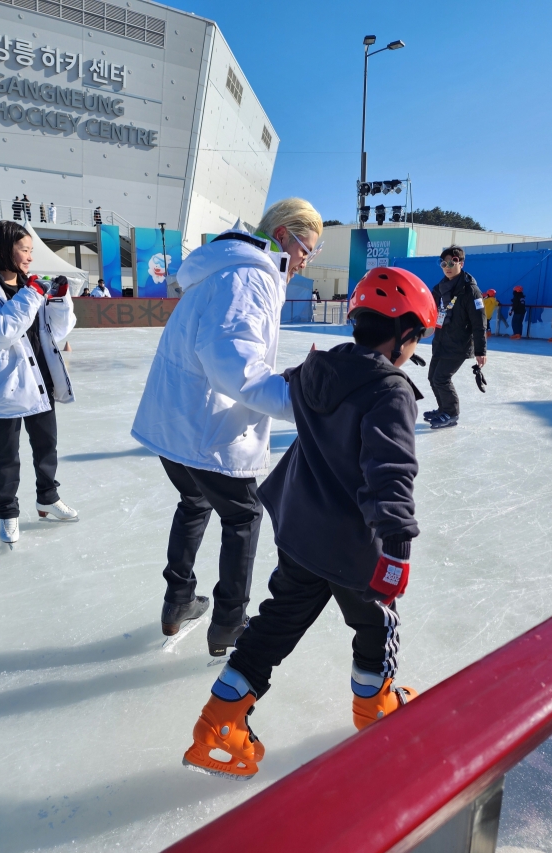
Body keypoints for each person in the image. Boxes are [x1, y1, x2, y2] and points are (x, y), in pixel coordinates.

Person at [182, 266, 436, 780]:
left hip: (300, 533)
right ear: (404, 332)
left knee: (276, 623)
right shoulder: (389, 392)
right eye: (417, 336)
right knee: (375, 623)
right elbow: (390, 475)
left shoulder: (320, 369)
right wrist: (396, 552)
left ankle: (217, 723)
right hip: (353, 548)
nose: (416, 346)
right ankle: (374, 707)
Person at [131, 199, 323, 657]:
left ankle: (178, 600)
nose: (305, 260)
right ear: (282, 237)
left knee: (194, 502)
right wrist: (300, 400)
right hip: (205, 427)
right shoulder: (250, 275)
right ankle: (229, 624)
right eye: (306, 249)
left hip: (174, 423)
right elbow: (231, 365)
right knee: (243, 516)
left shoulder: (223, 269)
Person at [0, 220, 78, 545]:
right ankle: (8, 513)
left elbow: (57, 331)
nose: (29, 256)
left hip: (39, 378)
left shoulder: (31, 285)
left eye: (30, 250)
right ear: (4, 248)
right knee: (5, 455)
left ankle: (47, 499)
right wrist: (33, 293)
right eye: (24, 249)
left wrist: (59, 300)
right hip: (5, 384)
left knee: (46, 446)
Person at [424, 245, 487, 430]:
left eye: (452, 262)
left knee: (442, 378)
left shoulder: (470, 291)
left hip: (458, 344)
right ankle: (443, 409)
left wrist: (480, 350)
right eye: (444, 263)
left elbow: (479, 322)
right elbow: (428, 308)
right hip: (441, 341)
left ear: (461, 263)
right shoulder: (441, 287)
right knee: (432, 377)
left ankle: (451, 414)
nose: (448, 266)